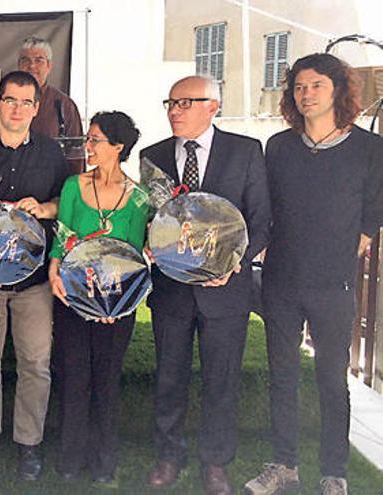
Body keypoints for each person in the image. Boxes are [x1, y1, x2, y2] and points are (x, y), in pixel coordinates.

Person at [244, 53, 383, 495]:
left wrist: (355, 242)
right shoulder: (279, 146)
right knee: (281, 377)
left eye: (316, 85)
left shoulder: (370, 149)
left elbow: (373, 211)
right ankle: (284, 466)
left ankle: (333, 471)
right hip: (282, 280)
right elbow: (265, 209)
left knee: (330, 378)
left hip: (334, 285)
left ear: (338, 89)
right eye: (299, 87)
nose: (306, 95)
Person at [140, 75, 271, 495]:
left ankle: (215, 463)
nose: (173, 110)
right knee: (169, 377)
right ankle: (168, 455)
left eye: (184, 102)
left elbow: (260, 220)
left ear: (212, 105)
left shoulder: (246, 151)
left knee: (222, 379)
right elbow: (151, 220)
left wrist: (234, 266)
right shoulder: (153, 156)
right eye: (170, 102)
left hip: (226, 290)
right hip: (172, 290)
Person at [0, 71, 71, 480]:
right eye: (11, 100)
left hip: (34, 280)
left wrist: (41, 208)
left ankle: (29, 443)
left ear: (36, 109)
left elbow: (63, 203)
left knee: (35, 363)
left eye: (26, 102)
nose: (18, 109)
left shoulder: (51, 154)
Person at [48, 111, 146, 484]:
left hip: (116, 305)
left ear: (118, 147)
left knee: (106, 380)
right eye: (87, 139)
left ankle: (104, 461)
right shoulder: (74, 186)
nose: (87, 146)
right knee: (74, 376)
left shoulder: (138, 198)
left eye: (94, 140)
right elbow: (61, 237)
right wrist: (54, 272)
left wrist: (117, 306)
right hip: (72, 298)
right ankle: (70, 459)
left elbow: (134, 256)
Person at [0, 36, 83, 172]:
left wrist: (72, 190)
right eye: (26, 60)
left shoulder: (64, 105)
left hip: (50, 185)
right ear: (19, 64)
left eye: (39, 60)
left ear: (49, 66)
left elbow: (76, 156)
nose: (32, 66)